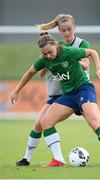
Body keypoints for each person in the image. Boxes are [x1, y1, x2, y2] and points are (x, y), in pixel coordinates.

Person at [10, 32, 100, 168]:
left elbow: (92, 52)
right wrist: (16, 91)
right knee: (45, 122)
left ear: (55, 45)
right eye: (44, 53)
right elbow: (29, 73)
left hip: (83, 89)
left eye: (50, 52)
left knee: (95, 123)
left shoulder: (69, 52)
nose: (48, 55)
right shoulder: (44, 59)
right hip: (68, 96)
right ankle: (58, 159)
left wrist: (99, 69)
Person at [14, 14, 90, 167]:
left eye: (69, 29)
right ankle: (27, 159)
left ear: (74, 28)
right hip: (56, 95)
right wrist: (47, 65)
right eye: (63, 29)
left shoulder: (77, 45)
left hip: (74, 91)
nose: (67, 32)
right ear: (59, 30)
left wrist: (70, 61)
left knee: (94, 122)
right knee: (39, 124)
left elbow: (86, 63)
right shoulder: (52, 50)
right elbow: (36, 71)